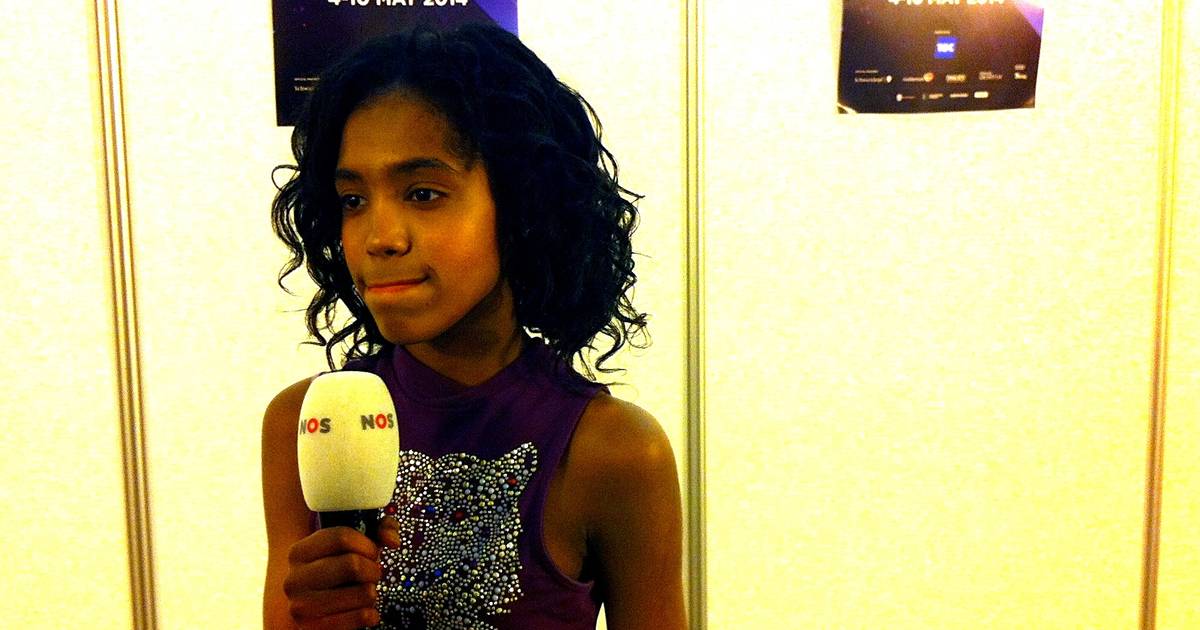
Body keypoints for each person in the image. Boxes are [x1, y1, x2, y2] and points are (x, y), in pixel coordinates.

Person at [261, 24, 686, 630]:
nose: (380, 238)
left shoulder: (614, 452)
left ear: (522, 205)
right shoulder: (303, 424)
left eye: (423, 193)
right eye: (353, 200)